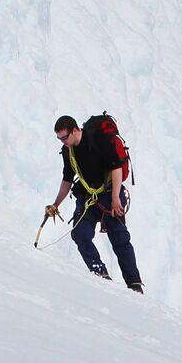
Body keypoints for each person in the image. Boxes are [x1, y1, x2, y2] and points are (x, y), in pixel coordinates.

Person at [45, 113, 140, 292]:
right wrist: (55, 205)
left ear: (75, 130)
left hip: (110, 192)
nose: (62, 142)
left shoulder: (97, 138)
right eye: (59, 138)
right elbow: (67, 179)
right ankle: (100, 273)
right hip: (88, 195)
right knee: (79, 234)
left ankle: (134, 283)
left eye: (64, 137)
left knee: (119, 237)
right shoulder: (68, 151)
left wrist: (115, 198)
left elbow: (116, 166)